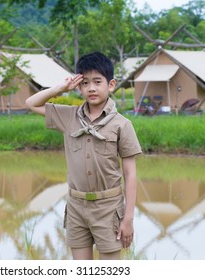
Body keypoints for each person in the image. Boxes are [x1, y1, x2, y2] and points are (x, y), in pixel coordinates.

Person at [25, 52, 142, 260]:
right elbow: (32, 103)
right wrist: (59, 89)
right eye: (85, 83)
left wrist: (128, 218)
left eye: (97, 82)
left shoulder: (122, 125)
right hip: (76, 206)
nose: (91, 88)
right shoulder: (68, 116)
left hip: (109, 207)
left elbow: (130, 173)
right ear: (78, 87)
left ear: (111, 84)